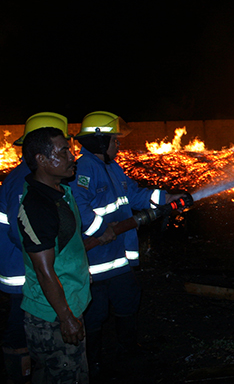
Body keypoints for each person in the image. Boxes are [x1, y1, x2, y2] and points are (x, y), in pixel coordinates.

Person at [68, 111, 183, 376]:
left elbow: (134, 194)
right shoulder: (83, 169)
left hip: (118, 257)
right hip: (95, 260)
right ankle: (93, 361)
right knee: (94, 311)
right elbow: (77, 205)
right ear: (99, 141)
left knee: (128, 300)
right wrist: (100, 230)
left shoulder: (112, 167)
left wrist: (166, 197)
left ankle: (128, 348)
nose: (119, 144)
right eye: (114, 140)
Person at [1, 112, 71, 384]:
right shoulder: (25, 182)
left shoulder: (28, 176)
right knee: (20, 328)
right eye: (61, 148)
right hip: (22, 270)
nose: (69, 154)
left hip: (26, 267)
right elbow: (26, 235)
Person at [16, 127, 91, 383]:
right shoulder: (37, 206)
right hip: (52, 316)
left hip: (70, 303)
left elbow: (67, 246)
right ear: (42, 159)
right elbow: (43, 270)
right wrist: (66, 318)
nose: (72, 157)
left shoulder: (61, 192)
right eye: (64, 152)